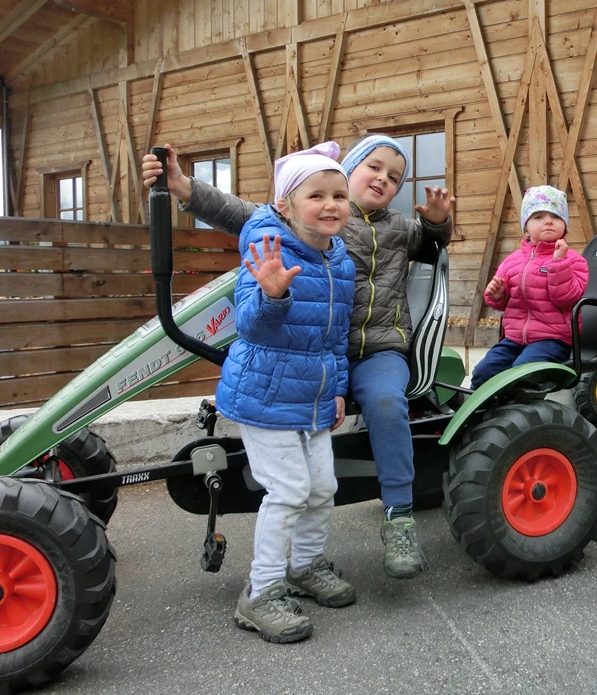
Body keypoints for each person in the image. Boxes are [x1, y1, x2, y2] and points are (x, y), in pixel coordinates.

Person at [142, 135, 453, 580]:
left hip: (378, 348)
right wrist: (184, 186)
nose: (384, 179)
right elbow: (241, 213)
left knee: (386, 402)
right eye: (374, 167)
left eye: (394, 177)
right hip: (319, 351)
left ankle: (398, 516)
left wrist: (439, 222)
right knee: (306, 473)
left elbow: (432, 242)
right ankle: (291, 560)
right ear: (347, 169)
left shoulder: (400, 227)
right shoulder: (318, 217)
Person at [218, 142, 356, 643]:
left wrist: (338, 388)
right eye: (315, 194)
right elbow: (249, 325)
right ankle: (261, 592)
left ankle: (304, 566)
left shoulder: (340, 260)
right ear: (285, 205)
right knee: (291, 490)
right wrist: (273, 294)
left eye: (339, 194)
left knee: (323, 489)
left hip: (315, 396)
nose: (330, 204)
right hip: (265, 393)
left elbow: (336, 335)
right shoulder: (267, 248)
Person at [469, 185, 589, 388]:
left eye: (556, 216)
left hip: (553, 339)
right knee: (484, 373)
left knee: (522, 371)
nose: (548, 221)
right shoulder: (512, 261)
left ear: (565, 226)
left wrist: (559, 263)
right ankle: (481, 416)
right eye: (539, 216)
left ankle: (516, 415)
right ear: (526, 228)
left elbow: (567, 299)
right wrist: (498, 295)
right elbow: (502, 302)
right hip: (514, 338)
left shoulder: (574, 261)